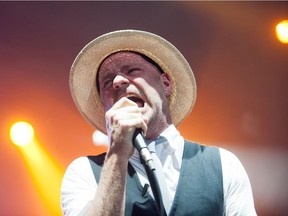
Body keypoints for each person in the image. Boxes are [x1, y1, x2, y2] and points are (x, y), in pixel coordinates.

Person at [61, 29, 257, 216]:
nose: (118, 81)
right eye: (107, 81)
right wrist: (117, 153)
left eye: (132, 70)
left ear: (165, 83)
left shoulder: (222, 165)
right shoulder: (83, 172)